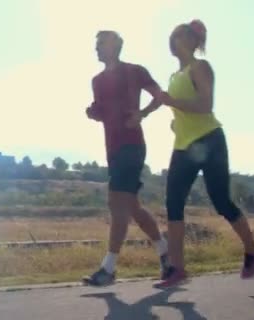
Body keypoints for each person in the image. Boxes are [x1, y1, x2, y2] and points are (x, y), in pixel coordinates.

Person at [142, 19, 254, 288]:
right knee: (173, 203)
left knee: (221, 201)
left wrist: (172, 103)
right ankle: (177, 269)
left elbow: (206, 104)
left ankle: (253, 249)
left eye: (178, 36)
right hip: (184, 145)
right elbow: (184, 110)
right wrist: (174, 121)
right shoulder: (174, 76)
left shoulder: (200, 67)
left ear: (191, 41)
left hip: (210, 141)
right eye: (171, 36)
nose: (172, 41)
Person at [82, 30, 169, 286]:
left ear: (115, 46)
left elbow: (160, 96)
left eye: (100, 45)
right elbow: (103, 109)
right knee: (132, 207)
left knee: (116, 204)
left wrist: (142, 114)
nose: (96, 49)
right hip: (113, 149)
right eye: (95, 44)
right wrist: (93, 112)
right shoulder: (97, 80)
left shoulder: (135, 71)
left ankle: (108, 269)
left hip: (132, 145)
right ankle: (166, 255)